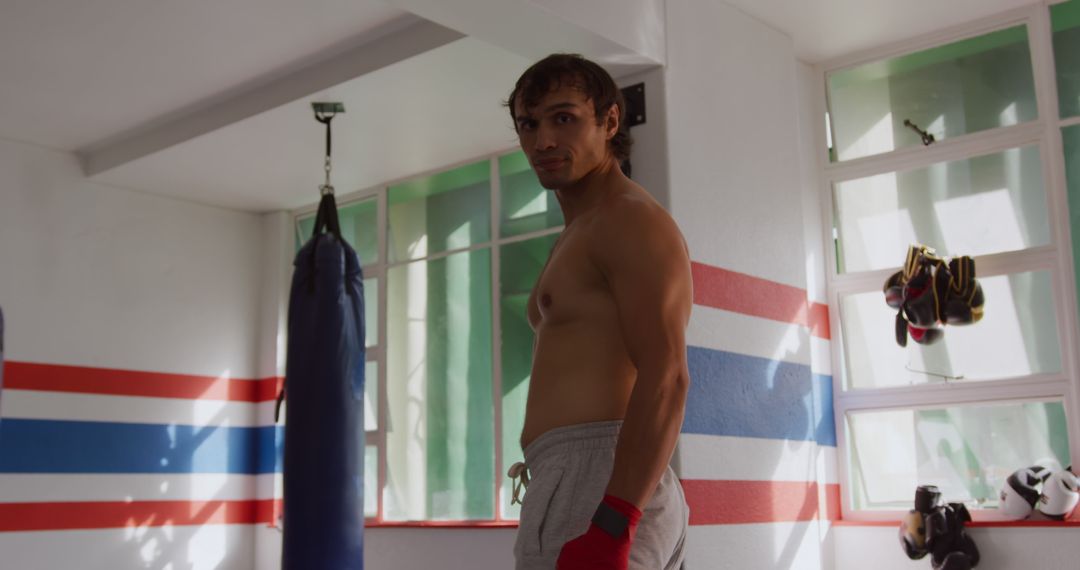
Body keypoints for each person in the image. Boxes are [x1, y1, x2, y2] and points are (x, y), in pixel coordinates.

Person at [505, 53, 692, 570]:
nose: (542, 141)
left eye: (564, 118)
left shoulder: (628, 220)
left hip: (602, 483)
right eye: (529, 123)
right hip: (576, 478)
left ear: (610, 121)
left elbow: (668, 374)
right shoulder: (579, 232)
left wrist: (616, 519)